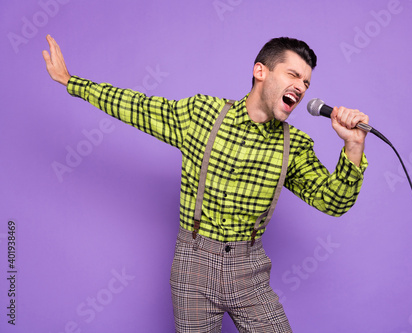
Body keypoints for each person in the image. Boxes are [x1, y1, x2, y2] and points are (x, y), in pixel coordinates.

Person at [43, 34, 369, 332]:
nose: (301, 86)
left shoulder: (294, 145)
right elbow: (137, 107)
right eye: (293, 74)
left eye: (307, 83)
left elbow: (333, 202)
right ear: (261, 72)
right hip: (193, 264)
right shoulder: (202, 114)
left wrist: (353, 147)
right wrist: (72, 82)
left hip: (249, 270)